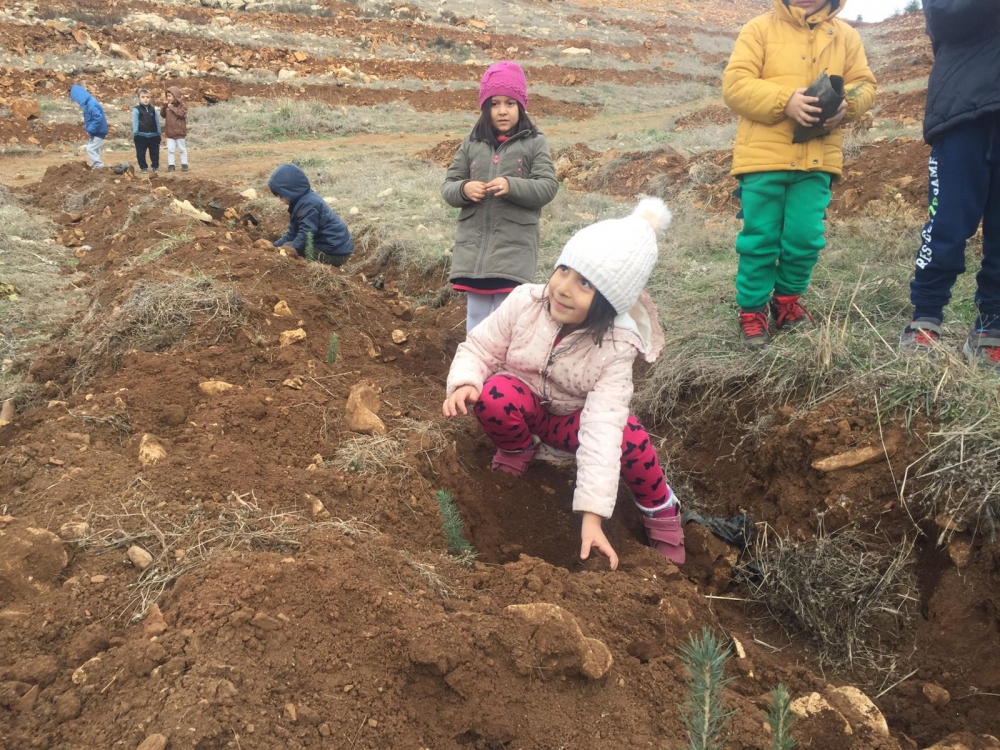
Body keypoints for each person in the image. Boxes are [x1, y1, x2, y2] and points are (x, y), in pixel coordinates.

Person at [442, 199, 684, 569]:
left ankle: (660, 511)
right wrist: (465, 381)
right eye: (564, 269)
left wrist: (592, 516)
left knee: (629, 437)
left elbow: (602, 428)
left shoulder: (616, 346)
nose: (564, 288)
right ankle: (518, 449)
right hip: (525, 408)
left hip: (574, 424)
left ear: (611, 301)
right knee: (493, 395)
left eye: (585, 282)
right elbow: (481, 346)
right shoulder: (525, 301)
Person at [722, 0, 877, 346]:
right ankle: (752, 311)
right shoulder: (759, 29)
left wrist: (847, 103)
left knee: (805, 238)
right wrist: (785, 101)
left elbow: (864, 84)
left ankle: (787, 303)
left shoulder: (846, 36)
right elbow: (735, 85)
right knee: (760, 239)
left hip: (817, 160)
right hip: (763, 159)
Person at [899, 0, 1000, 370]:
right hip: (962, 111)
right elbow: (943, 16)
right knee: (946, 225)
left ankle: (992, 325)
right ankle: (925, 315)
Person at [442, 61, 558, 333]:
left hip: (513, 251)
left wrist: (511, 185)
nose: (502, 111)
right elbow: (449, 186)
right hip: (474, 252)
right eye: (494, 104)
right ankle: (473, 359)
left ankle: (501, 361)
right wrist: (464, 189)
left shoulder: (534, 142)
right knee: (477, 314)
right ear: (485, 107)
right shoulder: (471, 142)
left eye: (510, 103)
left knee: (506, 317)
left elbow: (547, 187)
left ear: (521, 105)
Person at [267, 163, 354, 265]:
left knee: (289, 246)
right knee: (288, 245)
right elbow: (292, 234)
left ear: (291, 191)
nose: (281, 200)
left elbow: (307, 232)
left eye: (282, 196)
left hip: (335, 252)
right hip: (328, 246)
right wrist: (273, 247)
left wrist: (291, 251)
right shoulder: (299, 203)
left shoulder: (309, 204)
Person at [69, 84, 108, 169]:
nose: (77, 103)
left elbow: (98, 118)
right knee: (95, 148)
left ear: (79, 97)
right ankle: (96, 165)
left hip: (99, 131)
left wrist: (90, 129)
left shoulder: (91, 104)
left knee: (90, 148)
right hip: (96, 131)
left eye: (76, 100)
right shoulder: (89, 103)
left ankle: (99, 165)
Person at [132, 88, 161, 174]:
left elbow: (157, 121)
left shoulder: (153, 109)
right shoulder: (136, 109)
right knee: (140, 153)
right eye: (143, 97)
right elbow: (135, 122)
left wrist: (158, 133)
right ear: (139, 98)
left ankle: (155, 166)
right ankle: (143, 167)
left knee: (155, 153)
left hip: (153, 135)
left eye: (147, 97)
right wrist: (136, 133)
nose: (145, 99)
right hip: (141, 135)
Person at [160, 86, 189, 173]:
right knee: (170, 150)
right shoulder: (168, 106)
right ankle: (171, 165)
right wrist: (164, 107)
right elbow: (163, 115)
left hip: (179, 132)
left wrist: (172, 107)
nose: (168, 98)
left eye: (170, 96)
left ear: (175, 96)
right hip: (170, 132)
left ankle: (184, 164)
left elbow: (181, 114)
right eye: (167, 96)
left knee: (182, 149)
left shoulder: (182, 105)